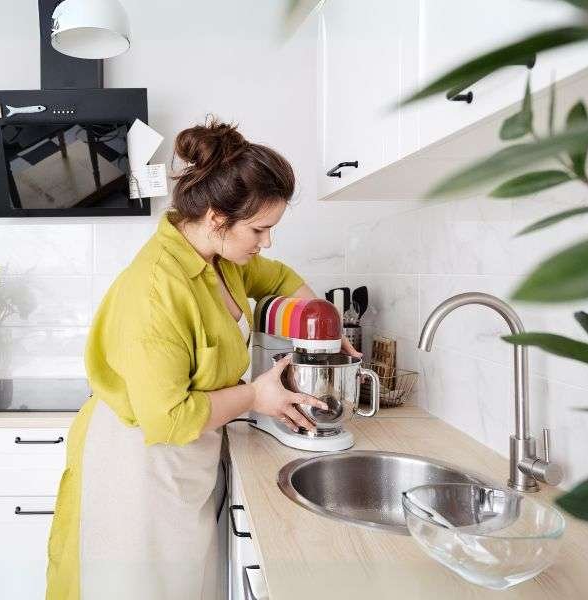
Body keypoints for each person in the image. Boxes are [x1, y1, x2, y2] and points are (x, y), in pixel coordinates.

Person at [45, 116, 361, 600]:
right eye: (259, 229)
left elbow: (279, 278)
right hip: (138, 468)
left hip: (184, 461)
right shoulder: (157, 290)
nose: (266, 242)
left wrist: (322, 327)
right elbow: (169, 418)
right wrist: (256, 395)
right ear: (217, 219)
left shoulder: (223, 262)